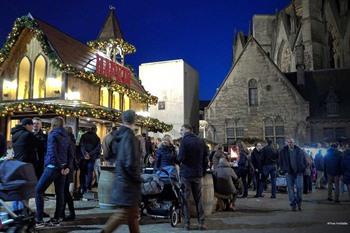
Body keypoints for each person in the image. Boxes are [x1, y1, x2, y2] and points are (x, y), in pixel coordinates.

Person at [101, 110, 141, 233]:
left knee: (133, 215)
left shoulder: (118, 136)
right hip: (128, 182)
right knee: (122, 213)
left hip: (122, 179)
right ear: (134, 120)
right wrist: (138, 178)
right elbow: (130, 162)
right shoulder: (130, 137)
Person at [35, 117, 70, 227]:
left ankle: (39, 219)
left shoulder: (52, 134)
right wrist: (66, 167)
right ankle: (57, 218)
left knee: (38, 191)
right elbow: (69, 153)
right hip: (63, 168)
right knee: (60, 193)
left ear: (53, 124)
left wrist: (59, 166)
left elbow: (52, 152)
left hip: (53, 166)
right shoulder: (66, 135)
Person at [178, 124, 208, 231]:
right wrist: (203, 172)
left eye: (181, 130)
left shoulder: (184, 141)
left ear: (187, 130)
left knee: (185, 199)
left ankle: (187, 223)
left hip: (186, 174)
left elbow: (180, 158)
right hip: (197, 174)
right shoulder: (200, 141)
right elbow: (205, 158)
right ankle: (202, 223)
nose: (180, 132)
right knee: (198, 199)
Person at [279, 138, 307, 211]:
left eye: (292, 142)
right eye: (289, 142)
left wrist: (303, 168)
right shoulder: (283, 151)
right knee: (290, 189)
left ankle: (299, 202)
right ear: (287, 143)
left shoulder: (299, 150)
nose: (290, 143)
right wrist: (283, 169)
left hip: (299, 172)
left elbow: (304, 160)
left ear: (294, 143)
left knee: (299, 188)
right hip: (289, 173)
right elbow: (280, 161)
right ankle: (293, 203)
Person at [79, 125, 101, 194]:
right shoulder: (97, 138)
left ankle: (82, 187)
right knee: (89, 173)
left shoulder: (83, 136)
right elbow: (97, 149)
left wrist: (85, 154)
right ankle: (88, 188)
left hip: (83, 157)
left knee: (82, 173)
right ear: (95, 130)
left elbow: (81, 145)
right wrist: (90, 154)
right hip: (91, 158)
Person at [61, 127, 76, 221]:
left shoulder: (68, 141)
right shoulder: (71, 141)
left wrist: (65, 168)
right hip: (69, 168)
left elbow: (69, 157)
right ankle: (66, 212)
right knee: (65, 191)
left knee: (65, 191)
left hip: (66, 169)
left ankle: (67, 213)